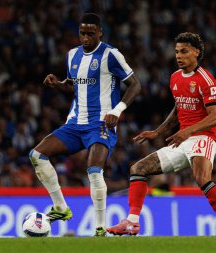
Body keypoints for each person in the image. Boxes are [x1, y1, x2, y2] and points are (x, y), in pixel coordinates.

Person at [107, 32, 216, 236]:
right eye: (177, 51)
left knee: (201, 177)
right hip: (184, 139)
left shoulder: (206, 80)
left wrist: (187, 131)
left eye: (184, 51)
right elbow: (179, 108)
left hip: (204, 137)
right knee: (138, 168)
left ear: (196, 52)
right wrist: (158, 131)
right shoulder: (175, 78)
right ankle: (132, 222)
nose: (179, 56)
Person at [29, 13, 141, 237]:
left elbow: (135, 84)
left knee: (94, 170)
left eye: (91, 33)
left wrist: (116, 111)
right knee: (37, 155)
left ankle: (99, 229)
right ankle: (60, 208)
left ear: (100, 32)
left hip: (101, 123)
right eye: (82, 33)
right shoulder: (72, 55)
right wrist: (59, 84)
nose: (86, 37)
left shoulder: (111, 55)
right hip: (74, 124)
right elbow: (74, 86)